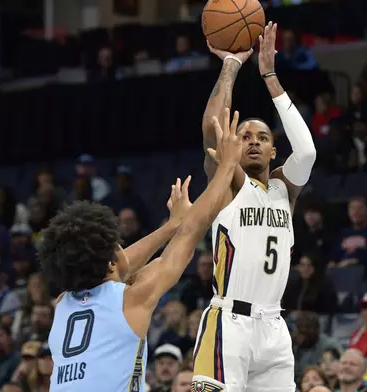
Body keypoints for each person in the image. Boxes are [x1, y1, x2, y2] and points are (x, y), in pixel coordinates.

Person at [39, 109, 245, 392]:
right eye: (119, 247)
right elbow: (192, 233)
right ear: (110, 262)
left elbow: (116, 267)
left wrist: (170, 226)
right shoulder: (133, 298)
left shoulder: (62, 303)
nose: (126, 250)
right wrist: (227, 167)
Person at [196, 21, 316, 392]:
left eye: (262, 137)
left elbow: (308, 151)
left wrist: (270, 77)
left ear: (273, 150)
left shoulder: (284, 188)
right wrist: (231, 64)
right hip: (229, 321)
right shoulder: (228, 181)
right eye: (244, 135)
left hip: (274, 327)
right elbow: (213, 126)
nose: (252, 142)